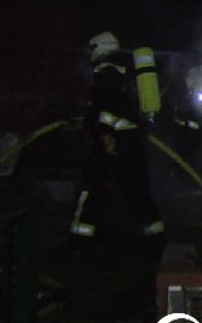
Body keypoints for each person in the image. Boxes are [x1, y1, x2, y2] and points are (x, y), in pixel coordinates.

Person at [69, 31, 166, 260]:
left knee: (93, 191)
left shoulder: (106, 70)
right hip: (132, 142)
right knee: (137, 192)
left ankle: (80, 244)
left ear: (99, 47)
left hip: (114, 144)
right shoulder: (125, 69)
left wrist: (104, 133)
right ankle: (155, 240)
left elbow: (108, 105)